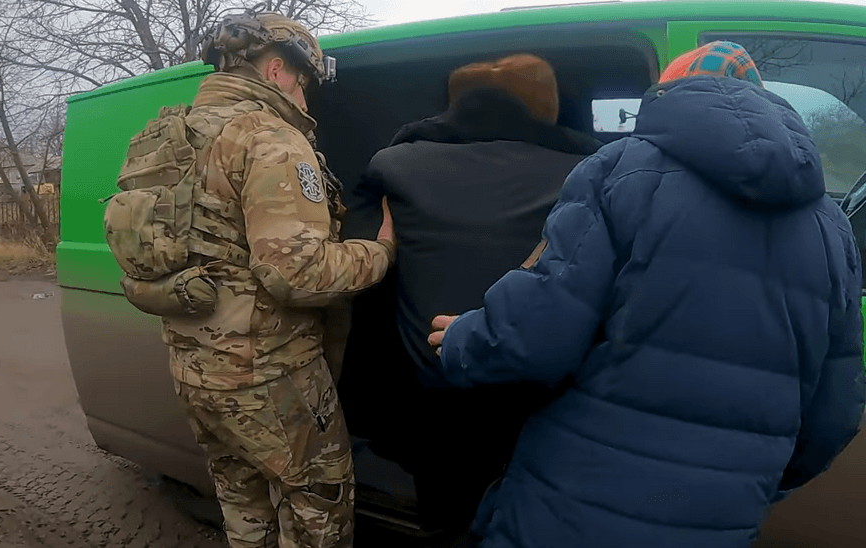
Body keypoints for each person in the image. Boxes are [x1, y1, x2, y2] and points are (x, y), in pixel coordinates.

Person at [427, 41, 865, 548]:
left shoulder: (624, 168)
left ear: (671, 93)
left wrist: (464, 339)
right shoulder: (831, 227)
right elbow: (835, 413)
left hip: (575, 504)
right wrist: (751, 474)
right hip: (722, 517)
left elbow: (539, 331)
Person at [151, 12, 395, 548]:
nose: (305, 99)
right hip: (270, 376)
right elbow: (298, 274)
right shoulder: (270, 138)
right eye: (304, 83)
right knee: (319, 511)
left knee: (243, 511)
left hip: (194, 369)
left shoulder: (170, 134)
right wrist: (379, 252)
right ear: (278, 70)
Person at [339, 53, 601, 545]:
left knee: (449, 518)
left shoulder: (392, 165)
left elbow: (364, 271)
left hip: (432, 401)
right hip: (541, 398)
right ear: (547, 108)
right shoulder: (589, 173)